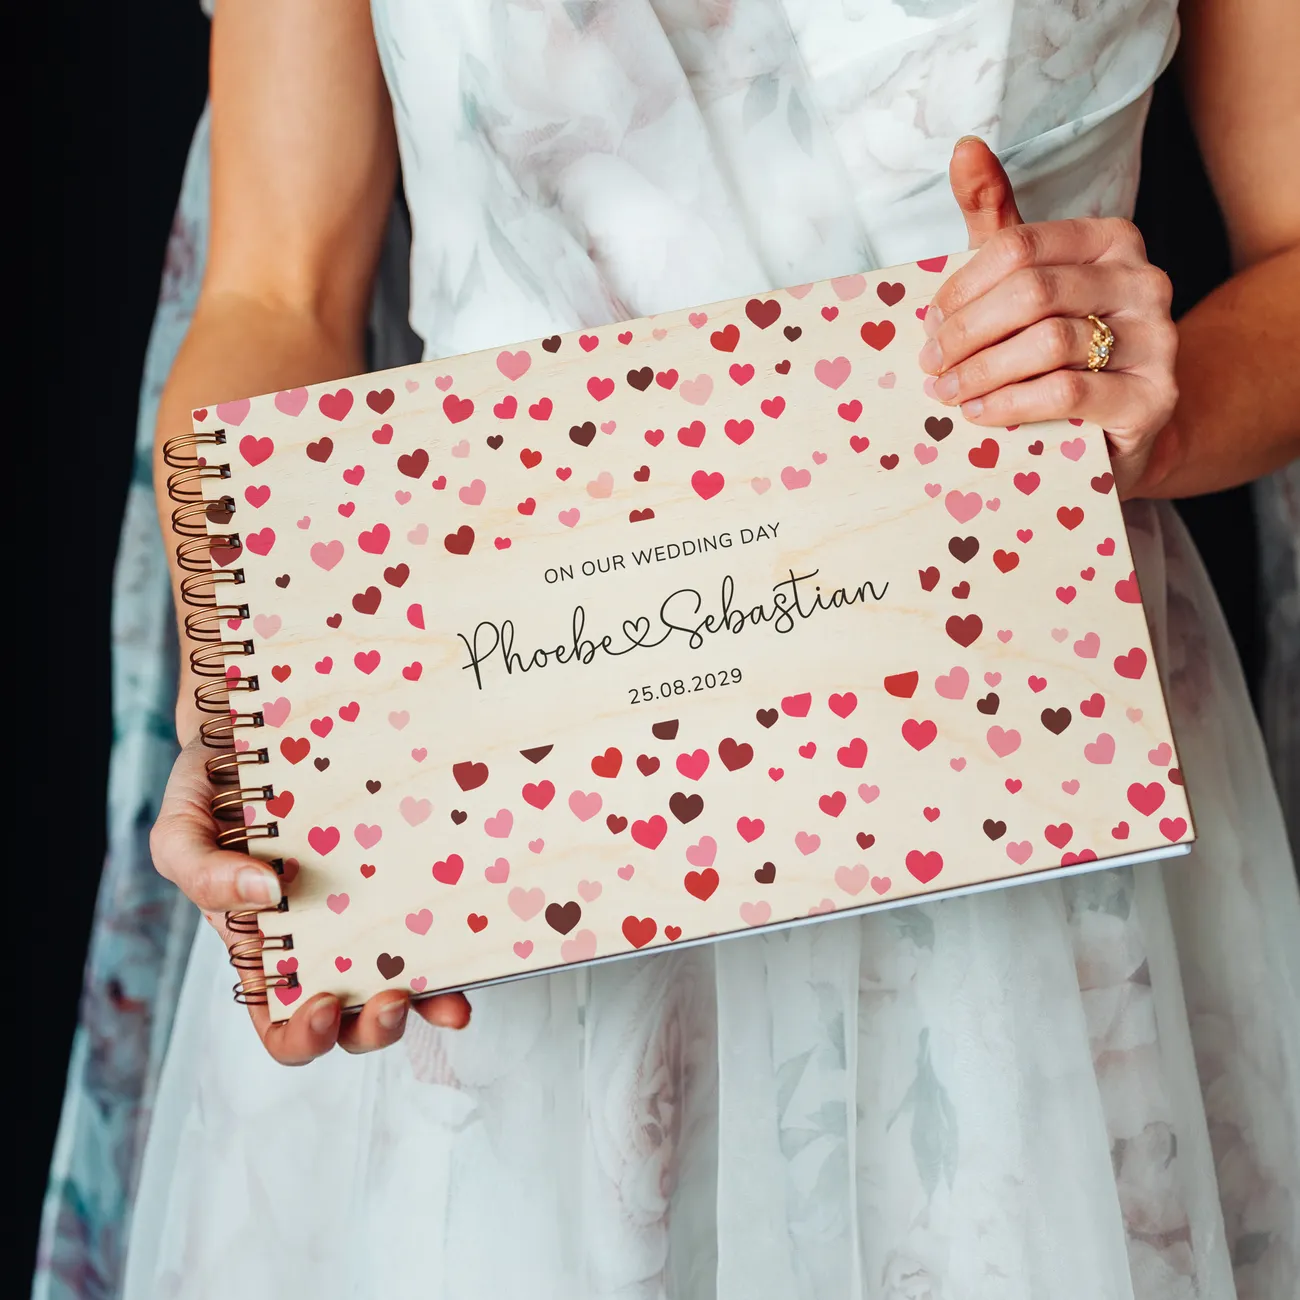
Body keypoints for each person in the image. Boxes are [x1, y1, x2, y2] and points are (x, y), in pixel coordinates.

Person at [38, 1, 1300, 1297]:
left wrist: (1152, 404)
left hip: (1018, 752)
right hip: (488, 785)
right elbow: (276, 290)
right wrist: (253, 696)